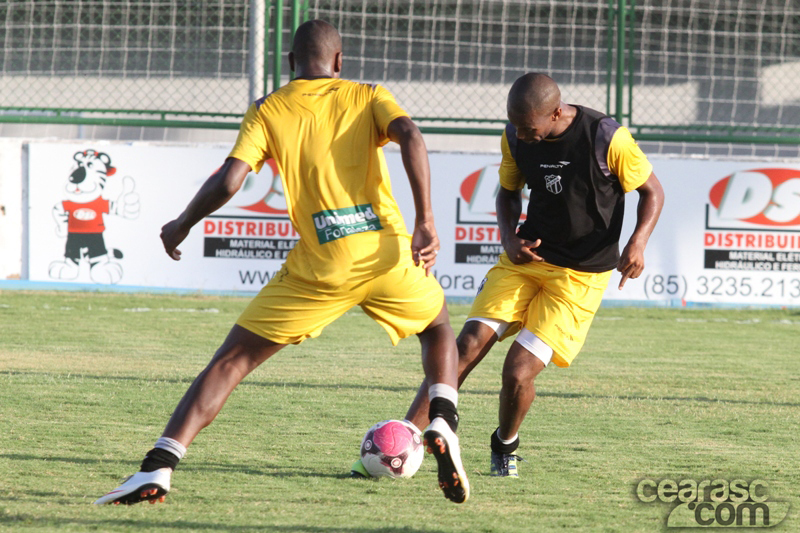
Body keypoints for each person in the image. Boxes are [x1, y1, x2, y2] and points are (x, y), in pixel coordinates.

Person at [94, 19, 469, 505]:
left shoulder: (267, 109)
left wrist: (183, 222)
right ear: (339, 61)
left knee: (231, 362)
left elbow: (230, 181)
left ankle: (158, 468)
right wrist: (427, 220)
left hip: (322, 266)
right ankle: (443, 416)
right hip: (387, 254)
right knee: (438, 328)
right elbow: (412, 137)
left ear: (291, 63)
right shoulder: (367, 94)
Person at [403, 72, 664, 477]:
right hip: (526, 261)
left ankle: (504, 444)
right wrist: (508, 237)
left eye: (530, 129)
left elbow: (653, 191)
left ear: (556, 112)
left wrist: (638, 243)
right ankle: (403, 440)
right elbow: (508, 193)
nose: (521, 136)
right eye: (516, 126)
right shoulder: (514, 136)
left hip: (580, 275)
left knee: (518, 371)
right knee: (468, 343)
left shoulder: (607, 138)